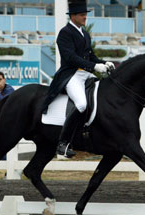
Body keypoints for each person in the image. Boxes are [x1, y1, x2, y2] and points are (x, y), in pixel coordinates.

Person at [41, 1, 114, 158]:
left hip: (86, 74)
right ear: (73, 16)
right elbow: (71, 58)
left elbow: (90, 55)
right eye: (82, 15)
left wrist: (103, 63)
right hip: (71, 75)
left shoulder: (84, 33)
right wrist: (94, 67)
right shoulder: (65, 33)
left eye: (85, 14)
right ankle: (63, 142)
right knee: (81, 104)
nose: (85, 17)